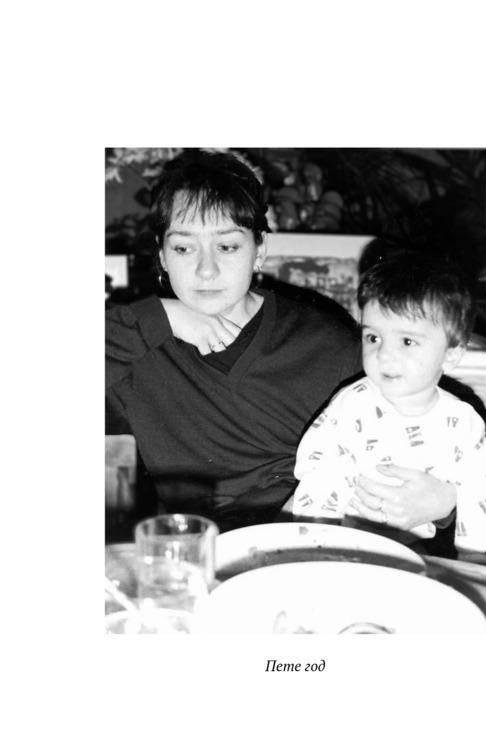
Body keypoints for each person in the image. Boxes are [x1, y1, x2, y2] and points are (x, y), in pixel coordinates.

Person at [106, 149, 456, 533]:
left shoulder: (322, 343)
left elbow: (443, 427)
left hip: (318, 541)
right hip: (204, 548)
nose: (206, 270)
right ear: (162, 256)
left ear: (259, 252)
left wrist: (445, 502)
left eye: (227, 246)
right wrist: (162, 316)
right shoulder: (136, 344)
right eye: (183, 248)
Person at [292, 254, 486, 553]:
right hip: (342, 537)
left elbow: (479, 497)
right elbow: (319, 473)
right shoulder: (352, 404)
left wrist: (472, 560)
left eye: (407, 341)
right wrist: (315, 542)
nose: (384, 354)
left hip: (413, 547)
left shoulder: (464, 423)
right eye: (373, 338)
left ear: (451, 355)